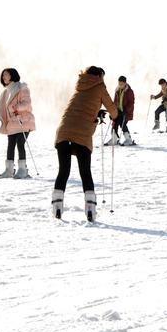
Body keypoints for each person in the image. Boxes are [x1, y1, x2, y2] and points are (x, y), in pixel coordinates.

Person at [52, 66, 118, 222]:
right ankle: (90, 209)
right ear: (99, 76)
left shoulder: (79, 86)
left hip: (63, 133)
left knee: (63, 171)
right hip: (82, 136)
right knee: (85, 172)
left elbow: (81, 108)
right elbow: (113, 111)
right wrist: (114, 115)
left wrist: (96, 111)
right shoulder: (100, 86)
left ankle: (57, 207)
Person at [0, 68, 36, 179]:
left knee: (20, 143)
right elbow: (3, 109)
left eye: (6, 75)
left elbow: (27, 104)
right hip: (12, 124)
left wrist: (17, 107)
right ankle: (9, 170)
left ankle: (22, 170)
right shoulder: (5, 92)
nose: (4, 77)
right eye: (3, 75)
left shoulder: (21, 87)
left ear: (12, 75)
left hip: (23, 121)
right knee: (10, 145)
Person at [108, 76, 135, 146]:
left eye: (122, 84)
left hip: (126, 112)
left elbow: (131, 103)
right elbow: (115, 102)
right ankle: (114, 139)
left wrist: (126, 110)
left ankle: (128, 139)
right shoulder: (117, 90)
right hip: (118, 111)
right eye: (119, 84)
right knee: (114, 123)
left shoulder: (129, 91)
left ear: (125, 83)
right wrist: (112, 111)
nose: (120, 85)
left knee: (122, 123)